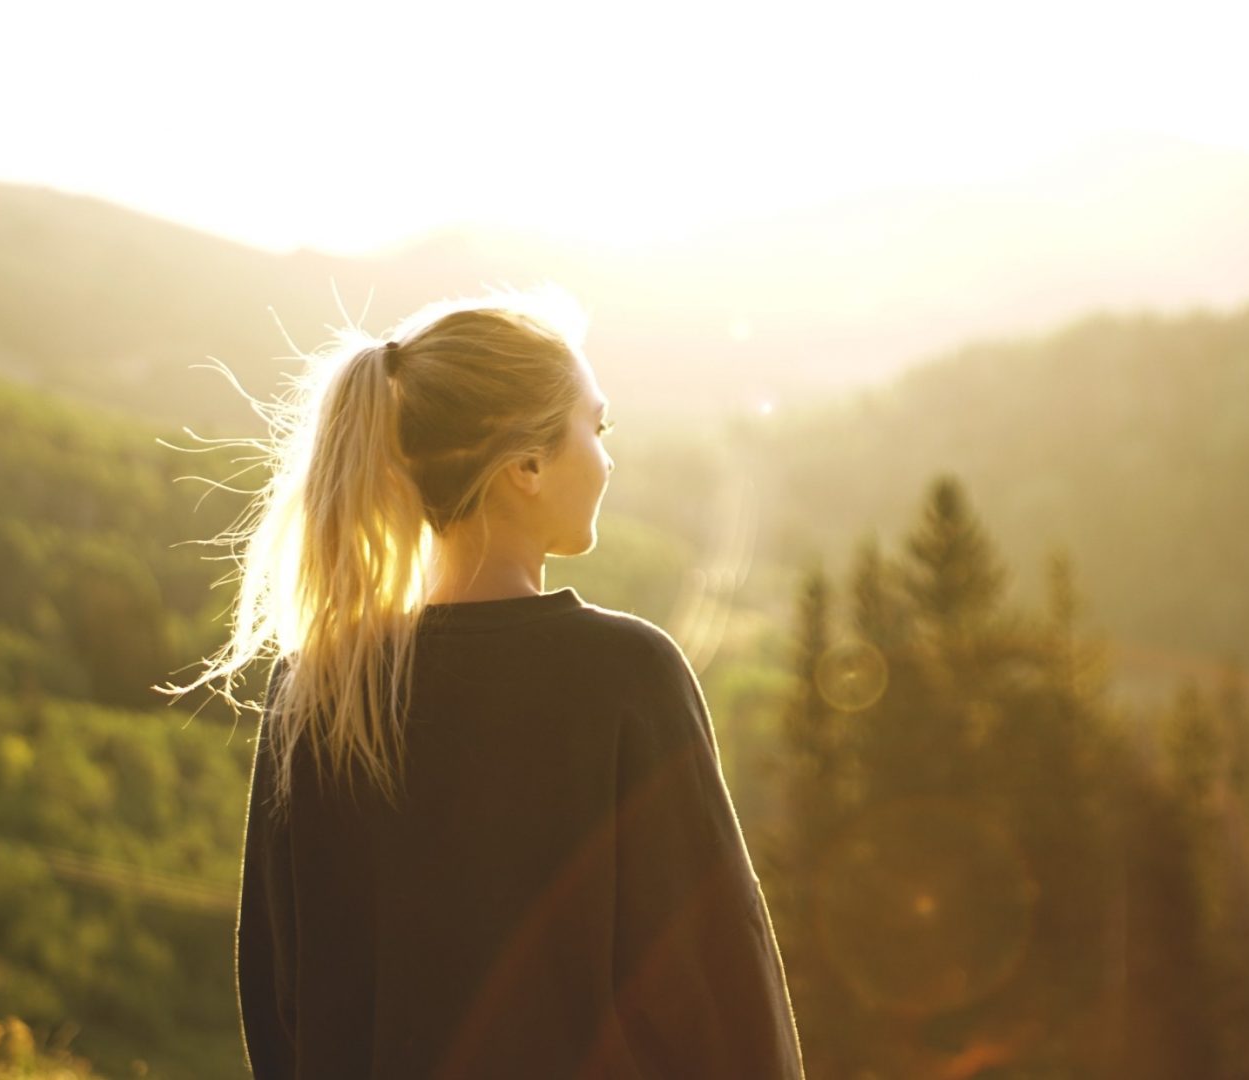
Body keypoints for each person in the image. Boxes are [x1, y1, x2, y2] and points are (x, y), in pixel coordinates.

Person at [160, 288, 805, 1078]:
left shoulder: (322, 691)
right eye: (594, 428)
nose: (607, 458)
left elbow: (280, 1002)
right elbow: (721, 999)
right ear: (526, 465)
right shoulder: (627, 677)